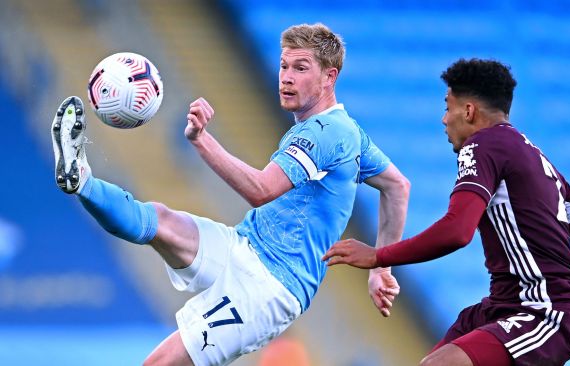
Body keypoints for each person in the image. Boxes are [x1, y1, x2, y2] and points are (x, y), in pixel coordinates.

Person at [51, 23, 410, 366]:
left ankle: (83, 183)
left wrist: (202, 141)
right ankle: (81, 180)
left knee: (159, 363)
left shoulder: (326, 132)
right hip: (244, 244)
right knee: (159, 220)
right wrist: (381, 267)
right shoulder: (348, 131)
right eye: (284, 65)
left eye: (301, 68)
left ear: (330, 77)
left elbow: (261, 190)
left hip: (270, 286)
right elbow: (398, 187)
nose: (286, 76)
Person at [323, 58, 570, 366]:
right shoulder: (536, 158)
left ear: (468, 111)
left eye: (448, 107)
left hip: (541, 311)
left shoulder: (482, 145)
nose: (444, 119)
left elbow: (458, 231)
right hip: (504, 306)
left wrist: (379, 255)